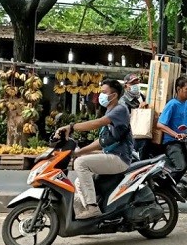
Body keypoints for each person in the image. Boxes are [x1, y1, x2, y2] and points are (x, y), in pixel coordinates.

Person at [57, 79, 134, 219]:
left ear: (114, 95)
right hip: (112, 156)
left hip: (120, 158)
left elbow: (96, 123)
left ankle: (92, 208)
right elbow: (102, 141)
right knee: (79, 182)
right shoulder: (110, 112)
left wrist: (72, 126)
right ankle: (88, 216)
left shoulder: (119, 109)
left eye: (104, 92)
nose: (100, 95)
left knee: (80, 163)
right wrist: (79, 152)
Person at [119, 73, 149, 158]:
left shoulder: (142, 96)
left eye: (137, 83)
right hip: (133, 136)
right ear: (126, 86)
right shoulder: (123, 101)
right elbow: (124, 119)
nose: (136, 86)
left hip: (144, 133)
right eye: (132, 84)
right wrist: (139, 110)